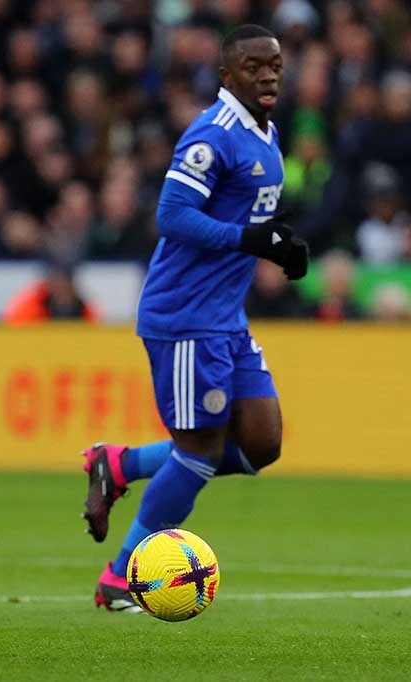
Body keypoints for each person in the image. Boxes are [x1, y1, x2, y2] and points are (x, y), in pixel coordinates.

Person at [78, 25, 309, 613]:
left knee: (262, 444)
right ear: (227, 75)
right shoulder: (213, 135)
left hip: (225, 317)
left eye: (275, 66)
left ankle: (122, 463)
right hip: (184, 316)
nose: (268, 75)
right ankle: (122, 575)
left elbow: (245, 219)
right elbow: (173, 217)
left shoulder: (268, 132)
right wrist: (252, 239)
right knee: (199, 452)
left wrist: (277, 243)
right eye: (254, 66)